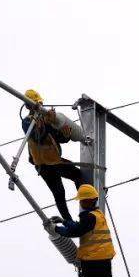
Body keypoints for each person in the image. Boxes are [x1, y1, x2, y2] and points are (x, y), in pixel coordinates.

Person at [51, 184, 120, 277]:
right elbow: (81, 226)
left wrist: (56, 229)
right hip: (105, 259)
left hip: (91, 262)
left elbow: (76, 231)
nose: (80, 202)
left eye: (82, 200)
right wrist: (64, 221)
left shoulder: (88, 217)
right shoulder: (98, 214)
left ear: (88, 201)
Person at [22, 89, 85, 223]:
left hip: (55, 161)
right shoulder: (27, 122)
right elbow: (38, 136)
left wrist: (65, 135)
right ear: (28, 106)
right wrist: (47, 123)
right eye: (36, 104)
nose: (39, 107)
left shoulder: (45, 118)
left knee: (78, 175)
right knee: (59, 192)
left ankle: (86, 206)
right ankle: (69, 221)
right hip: (44, 165)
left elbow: (57, 138)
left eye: (40, 104)